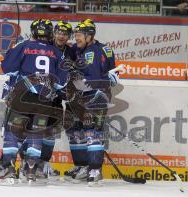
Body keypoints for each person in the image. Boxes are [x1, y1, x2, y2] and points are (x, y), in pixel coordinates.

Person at [0, 18, 63, 185]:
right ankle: (31, 170)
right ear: (50, 34)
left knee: (13, 132)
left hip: (23, 97)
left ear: (33, 32)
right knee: (36, 133)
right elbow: (61, 83)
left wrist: (13, 51)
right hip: (45, 101)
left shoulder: (24, 46)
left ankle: (8, 169)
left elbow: (7, 68)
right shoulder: (57, 53)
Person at [63, 19, 118, 185]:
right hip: (78, 97)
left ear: (89, 35)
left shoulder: (102, 50)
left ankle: (95, 169)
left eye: (79, 35)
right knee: (74, 130)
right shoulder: (77, 49)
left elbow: (111, 78)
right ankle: (82, 166)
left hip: (96, 97)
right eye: (76, 35)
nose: (76, 38)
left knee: (92, 132)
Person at [36, 20, 75, 181]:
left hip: (58, 97)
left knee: (51, 131)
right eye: (58, 32)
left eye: (65, 34)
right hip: (41, 96)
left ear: (68, 36)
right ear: (54, 33)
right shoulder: (46, 47)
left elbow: (74, 73)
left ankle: (44, 162)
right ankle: (31, 163)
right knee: (36, 129)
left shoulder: (71, 52)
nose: (61, 36)